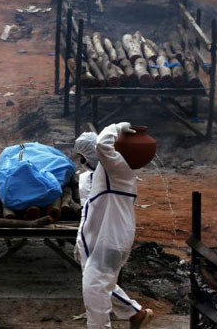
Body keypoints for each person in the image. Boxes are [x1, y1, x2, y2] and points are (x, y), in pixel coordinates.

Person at [74, 123, 154, 329]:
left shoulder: (116, 168)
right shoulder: (102, 174)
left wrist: (119, 127)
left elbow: (102, 144)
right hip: (101, 238)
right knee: (99, 283)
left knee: (94, 288)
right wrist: (81, 243)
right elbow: (89, 211)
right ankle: (135, 314)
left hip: (111, 239)